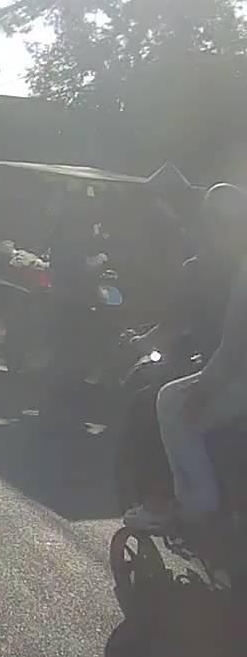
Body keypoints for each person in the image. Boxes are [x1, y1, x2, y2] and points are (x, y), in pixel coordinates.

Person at [122, 183, 247, 530]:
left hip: (223, 370)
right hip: (215, 364)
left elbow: (188, 331)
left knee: (158, 405)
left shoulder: (203, 269)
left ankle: (170, 500)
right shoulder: (210, 266)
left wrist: (139, 342)